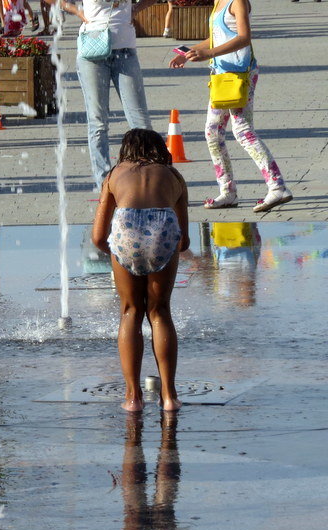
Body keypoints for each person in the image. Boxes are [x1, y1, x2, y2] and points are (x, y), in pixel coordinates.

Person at [91, 129, 189, 412]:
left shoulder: (113, 176)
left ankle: (133, 397)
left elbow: (98, 237)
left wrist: (121, 252)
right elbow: (183, 240)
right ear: (160, 149)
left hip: (127, 232)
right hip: (164, 231)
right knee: (159, 311)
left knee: (131, 311)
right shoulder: (174, 178)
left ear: (126, 150)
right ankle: (169, 396)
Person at [169, 0, 292, 213]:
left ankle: (277, 186)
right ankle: (228, 192)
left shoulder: (238, 2)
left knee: (243, 131)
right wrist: (189, 53)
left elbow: (244, 37)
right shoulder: (219, 1)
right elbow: (217, 37)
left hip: (239, 75)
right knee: (213, 132)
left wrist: (208, 54)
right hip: (222, 76)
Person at [53, 0, 155, 190]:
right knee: (98, 122)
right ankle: (104, 184)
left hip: (125, 50)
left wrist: (136, 9)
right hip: (93, 51)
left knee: (141, 122)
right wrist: (76, 10)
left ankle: (151, 180)